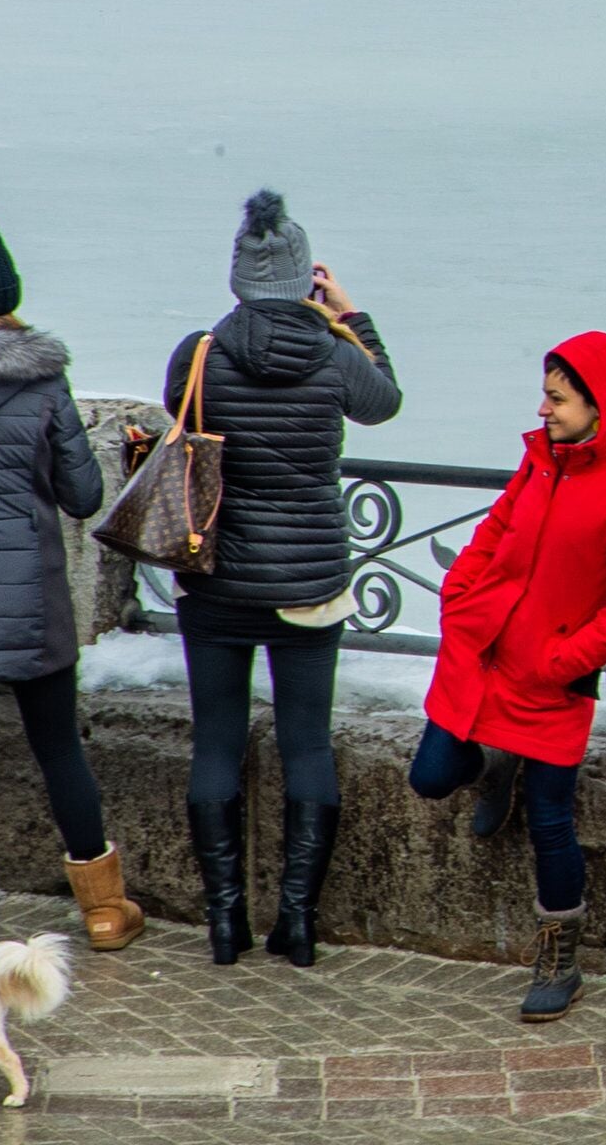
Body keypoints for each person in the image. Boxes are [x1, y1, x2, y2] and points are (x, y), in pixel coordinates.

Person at [164, 191, 401, 968]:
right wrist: (349, 315)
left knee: (216, 746)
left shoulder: (199, 352)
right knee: (307, 747)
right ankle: (297, 924)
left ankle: (225, 923)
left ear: (235, 280)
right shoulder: (334, 354)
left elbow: (179, 418)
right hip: (310, 583)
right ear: (306, 279)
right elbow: (385, 402)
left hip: (219, 579)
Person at [410, 332, 606, 1019]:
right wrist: (460, 590)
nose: (544, 408)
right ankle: (493, 767)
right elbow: (497, 529)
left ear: (598, 403)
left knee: (552, 823)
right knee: (431, 775)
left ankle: (559, 960)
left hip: (554, 681)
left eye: (557, 398)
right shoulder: (540, 461)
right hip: (484, 652)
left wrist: (565, 661)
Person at [0, 198, 139, 953]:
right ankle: (102, 910)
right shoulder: (42, 384)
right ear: (11, 298)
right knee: (58, 746)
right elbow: (84, 495)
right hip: (32, 603)